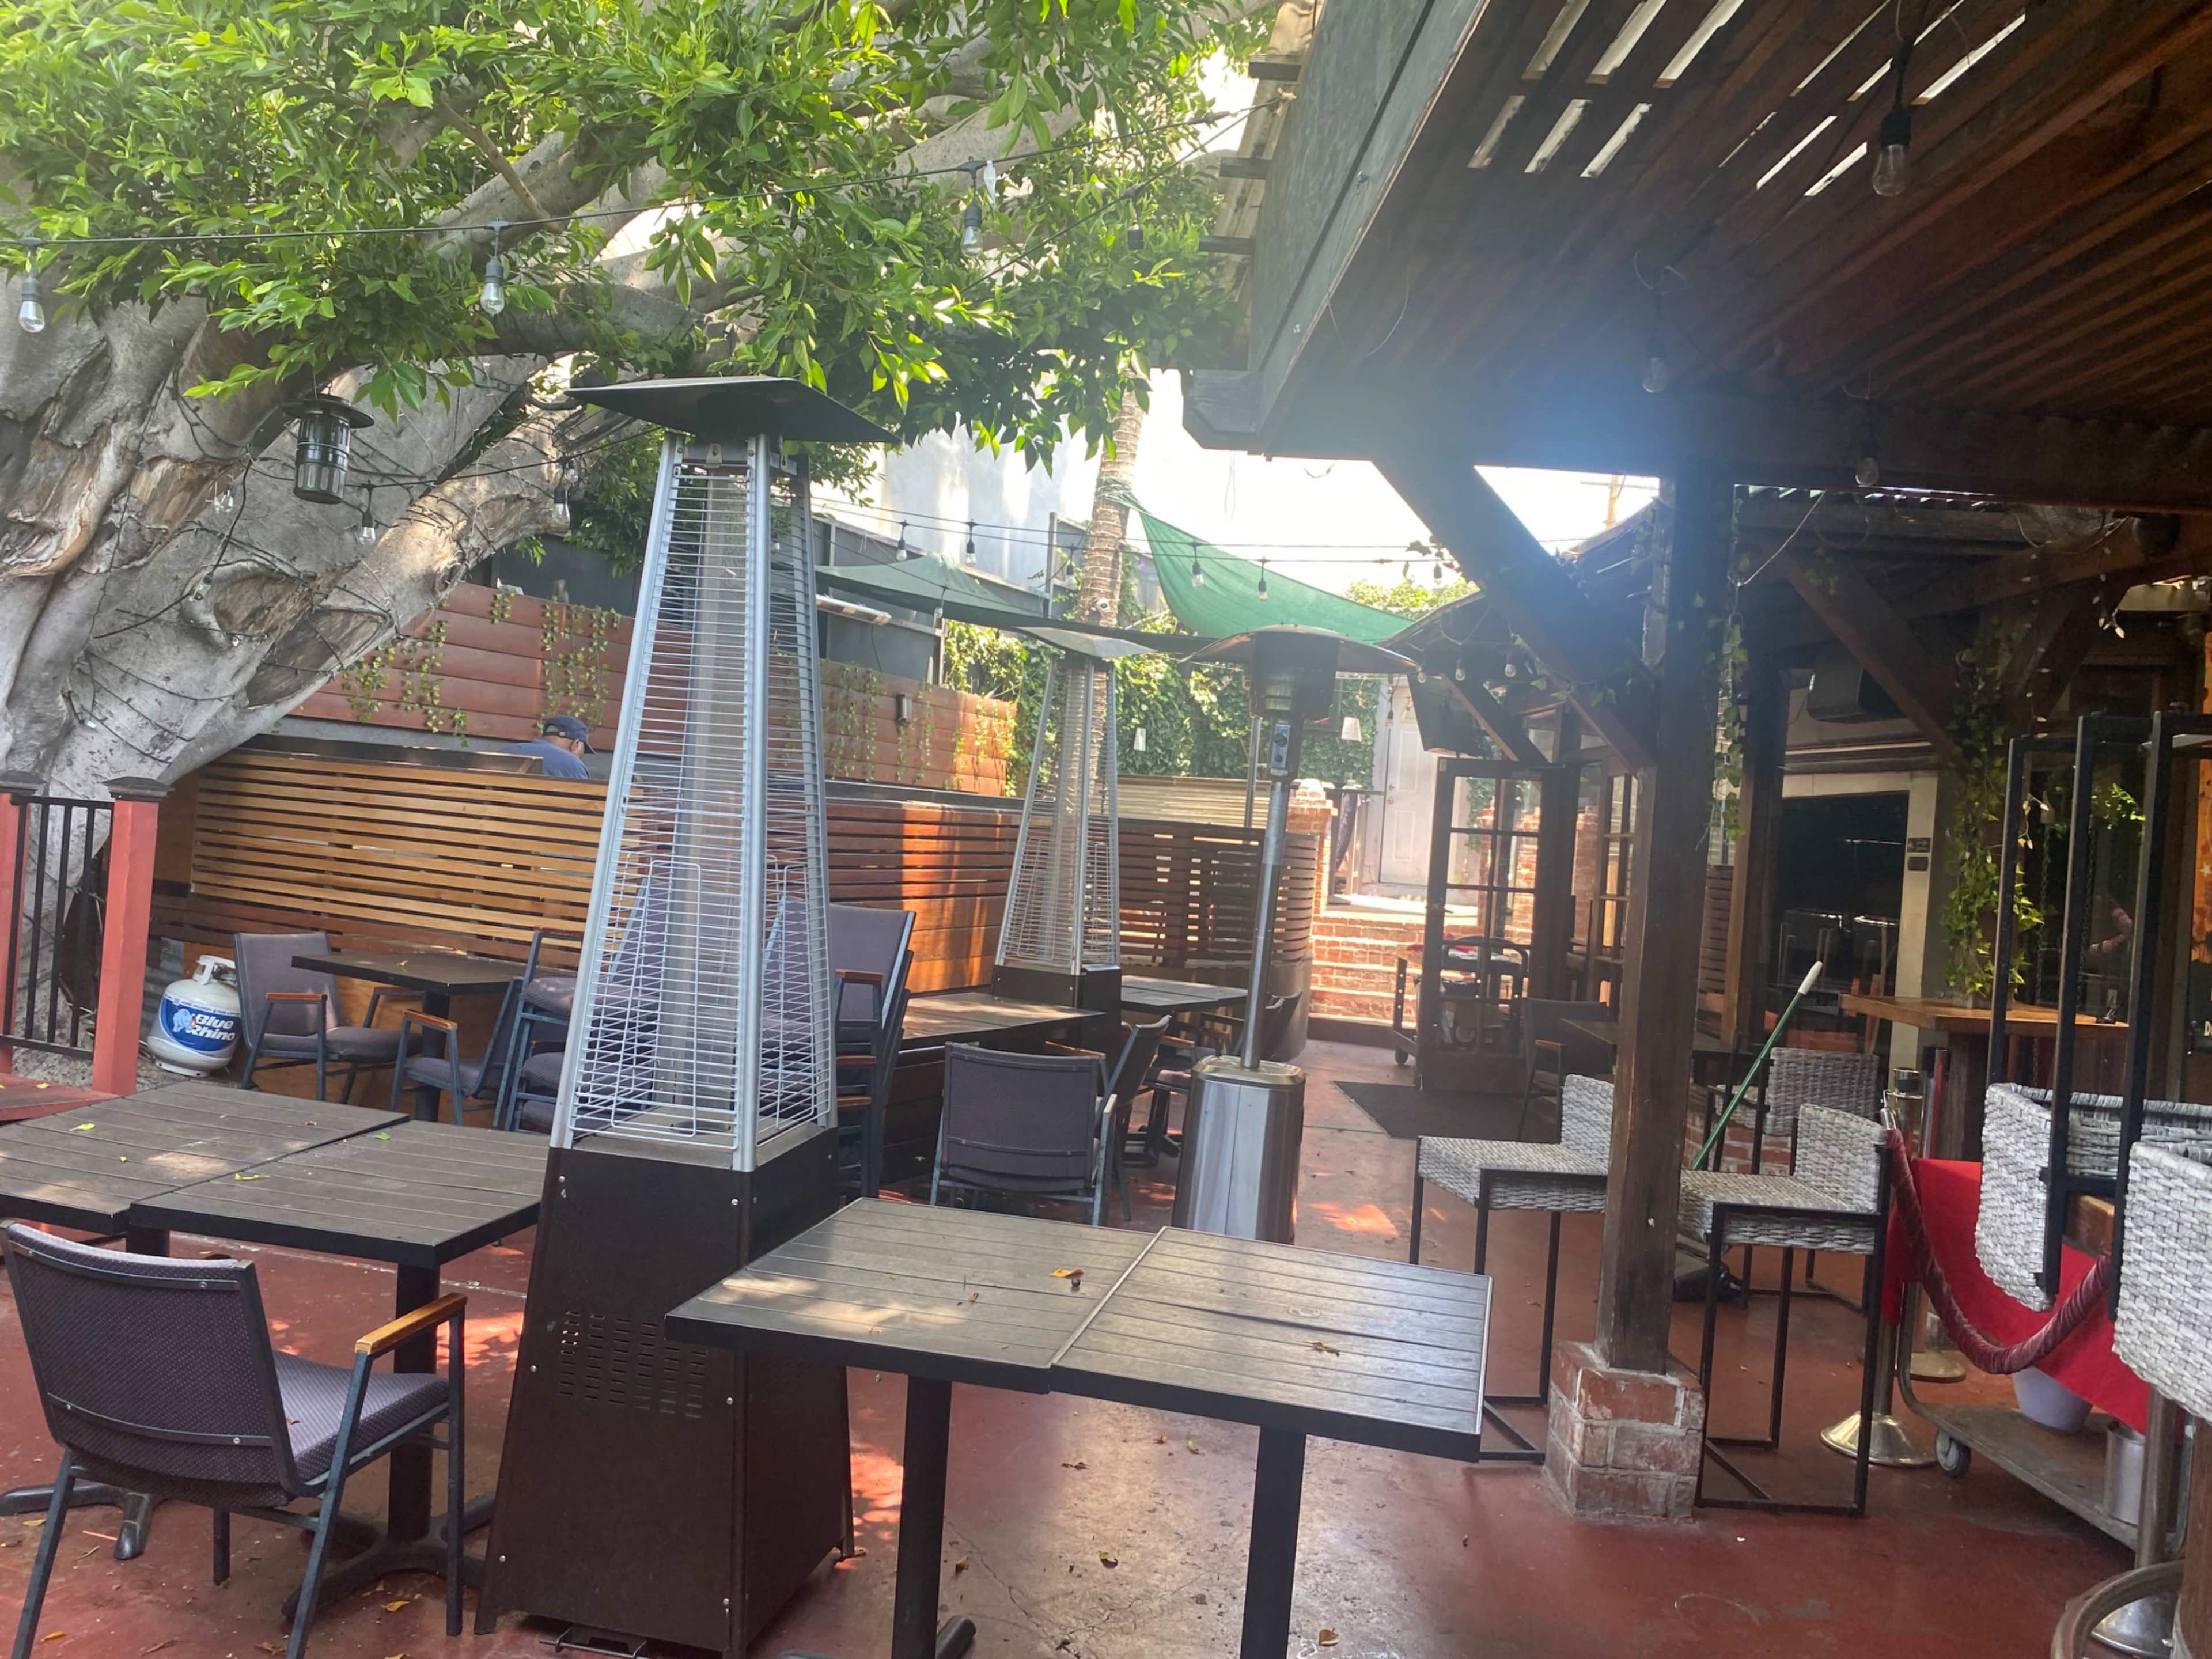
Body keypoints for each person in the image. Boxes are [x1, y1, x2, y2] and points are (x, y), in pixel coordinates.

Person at [506, 714, 592, 779]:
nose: (580, 760)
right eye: (581, 756)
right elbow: (588, 801)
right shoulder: (574, 765)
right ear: (575, 745)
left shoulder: (507, 751)